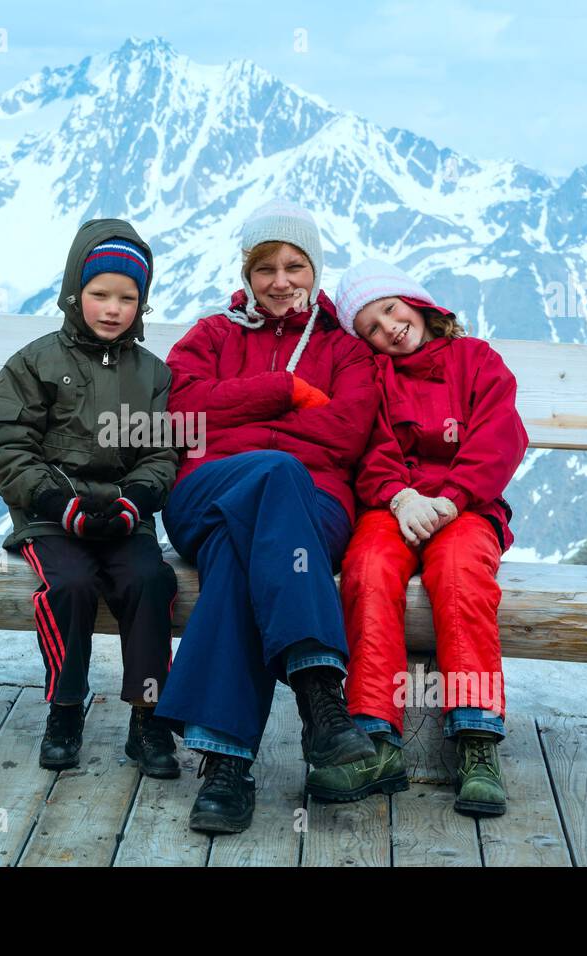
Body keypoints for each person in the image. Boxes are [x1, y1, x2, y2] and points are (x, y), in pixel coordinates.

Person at [154, 200, 401, 833]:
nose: (281, 281)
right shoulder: (212, 334)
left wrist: (243, 427)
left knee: (246, 553)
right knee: (278, 475)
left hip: (310, 513)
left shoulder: (345, 349)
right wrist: (283, 394)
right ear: (247, 272)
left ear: (315, 270)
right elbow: (181, 410)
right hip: (205, 495)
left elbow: (347, 433)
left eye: (295, 266)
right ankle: (320, 695)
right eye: (266, 267)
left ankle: (226, 765)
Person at [317, 257, 530, 816]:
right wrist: (399, 495)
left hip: (466, 504)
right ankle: (375, 736)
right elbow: (369, 443)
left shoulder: (475, 360)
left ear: (417, 303)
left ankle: (477, 740)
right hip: (395, 506)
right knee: (367, 568)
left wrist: (450, 498)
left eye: (390, 310)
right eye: (371, 329)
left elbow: (499, 436)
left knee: (460, 574)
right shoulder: (375, 377)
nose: (388, 328)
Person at [0, 218, 181, 778]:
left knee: (150, 581)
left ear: (141, 304)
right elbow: (7, 442)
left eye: (126, 298)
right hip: (50, 519)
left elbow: (162, 453)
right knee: (70, 585)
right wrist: (53, 504)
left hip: (123, 518)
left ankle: (149, 717)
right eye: (99, 294)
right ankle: (65, 708)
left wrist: (135, 502)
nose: (112, 309)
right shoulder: (36, 363)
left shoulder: (153, 375)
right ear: (75, 292)